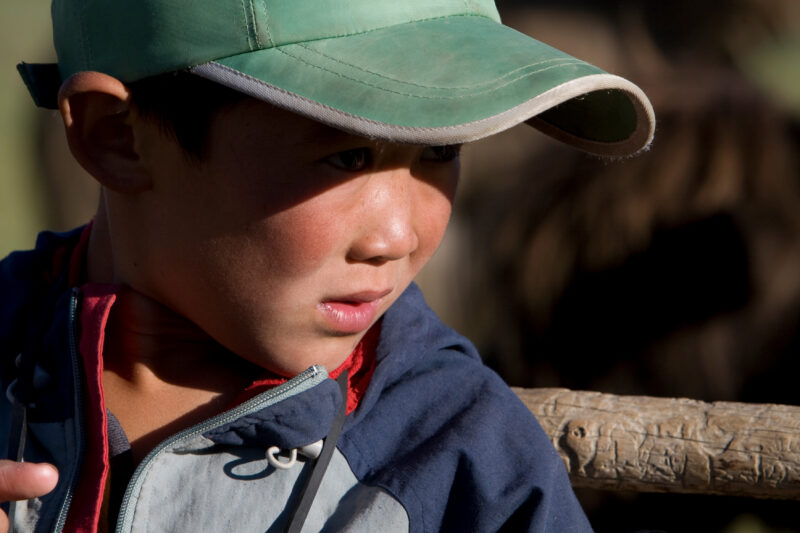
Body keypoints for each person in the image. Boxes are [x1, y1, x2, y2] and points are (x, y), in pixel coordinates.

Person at [1, 0, 654, 531]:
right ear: (114, 137)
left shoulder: (469, 470)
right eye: (348, 156)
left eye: (442, 149)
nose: (398, 236)